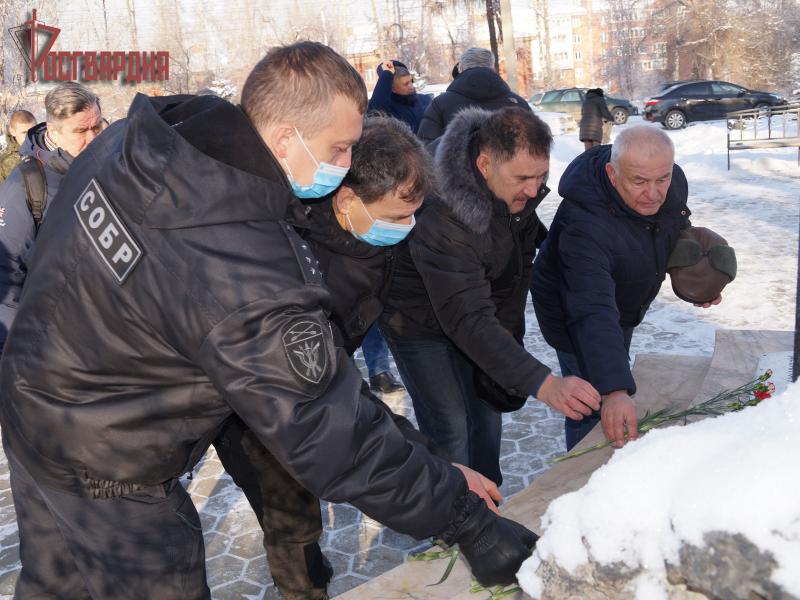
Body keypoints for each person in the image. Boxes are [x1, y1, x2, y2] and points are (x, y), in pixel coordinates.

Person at [0, 42, 537, 599]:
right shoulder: (241, 263)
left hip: (31, 401)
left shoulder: (138, 143)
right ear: (286, 137)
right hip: (110, 458)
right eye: (341, 147)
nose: (348, 163)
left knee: (54, 587)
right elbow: (328, 430)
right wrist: (466, 521)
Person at [381, 107, 601, 485]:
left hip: (476, 313)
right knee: (451, 424)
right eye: (523, 178)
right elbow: (466, 317)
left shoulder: (515, 194)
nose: (534, 190)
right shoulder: (443, 212)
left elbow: (529, 257)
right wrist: (544, 383)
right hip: (418, 323)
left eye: (541, 176)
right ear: (484, 164)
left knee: (486, 415)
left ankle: (488, 502)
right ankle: (452, 518)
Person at [530, 126, 716, 451]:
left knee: (612, 368)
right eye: (640, 182)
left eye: (662, 179)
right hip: (573, 314)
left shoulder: (667, 183)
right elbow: (591, 309)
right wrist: (614, 390)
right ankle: (580, 479)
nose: (654, 193)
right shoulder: (584, 223)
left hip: (623, 303)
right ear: (612, 174)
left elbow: (670, 229)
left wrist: (697, 277)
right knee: (590, 403)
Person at [0, 83, 102, 351]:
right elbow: (6, 274)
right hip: (55, 342)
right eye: (80, 131)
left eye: (97, 127)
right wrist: (15, 350)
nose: (92, 138)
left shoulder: (110, 163)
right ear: (54, 133)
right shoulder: (25, 185)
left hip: (109, 329)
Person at [417, 47, 530, 145]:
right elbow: (536, 147)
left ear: (461, 68)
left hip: (455, 169)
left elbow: (427, 151)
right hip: (512, 170)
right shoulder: (518, 103)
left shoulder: (440, 104)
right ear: (492, 67)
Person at [367, 59, 432, 134]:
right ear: (393, 89)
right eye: (406, 84)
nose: (411, 86)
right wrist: (387, 74)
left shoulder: (425, 100)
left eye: (411, 81)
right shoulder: (387, 108)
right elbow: (375, 111)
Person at [0, 110, 36, 182]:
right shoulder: (4, 163)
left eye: (32, 131)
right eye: (24, 133)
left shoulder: (47, 150)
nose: (29, 137)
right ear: (13, 131)